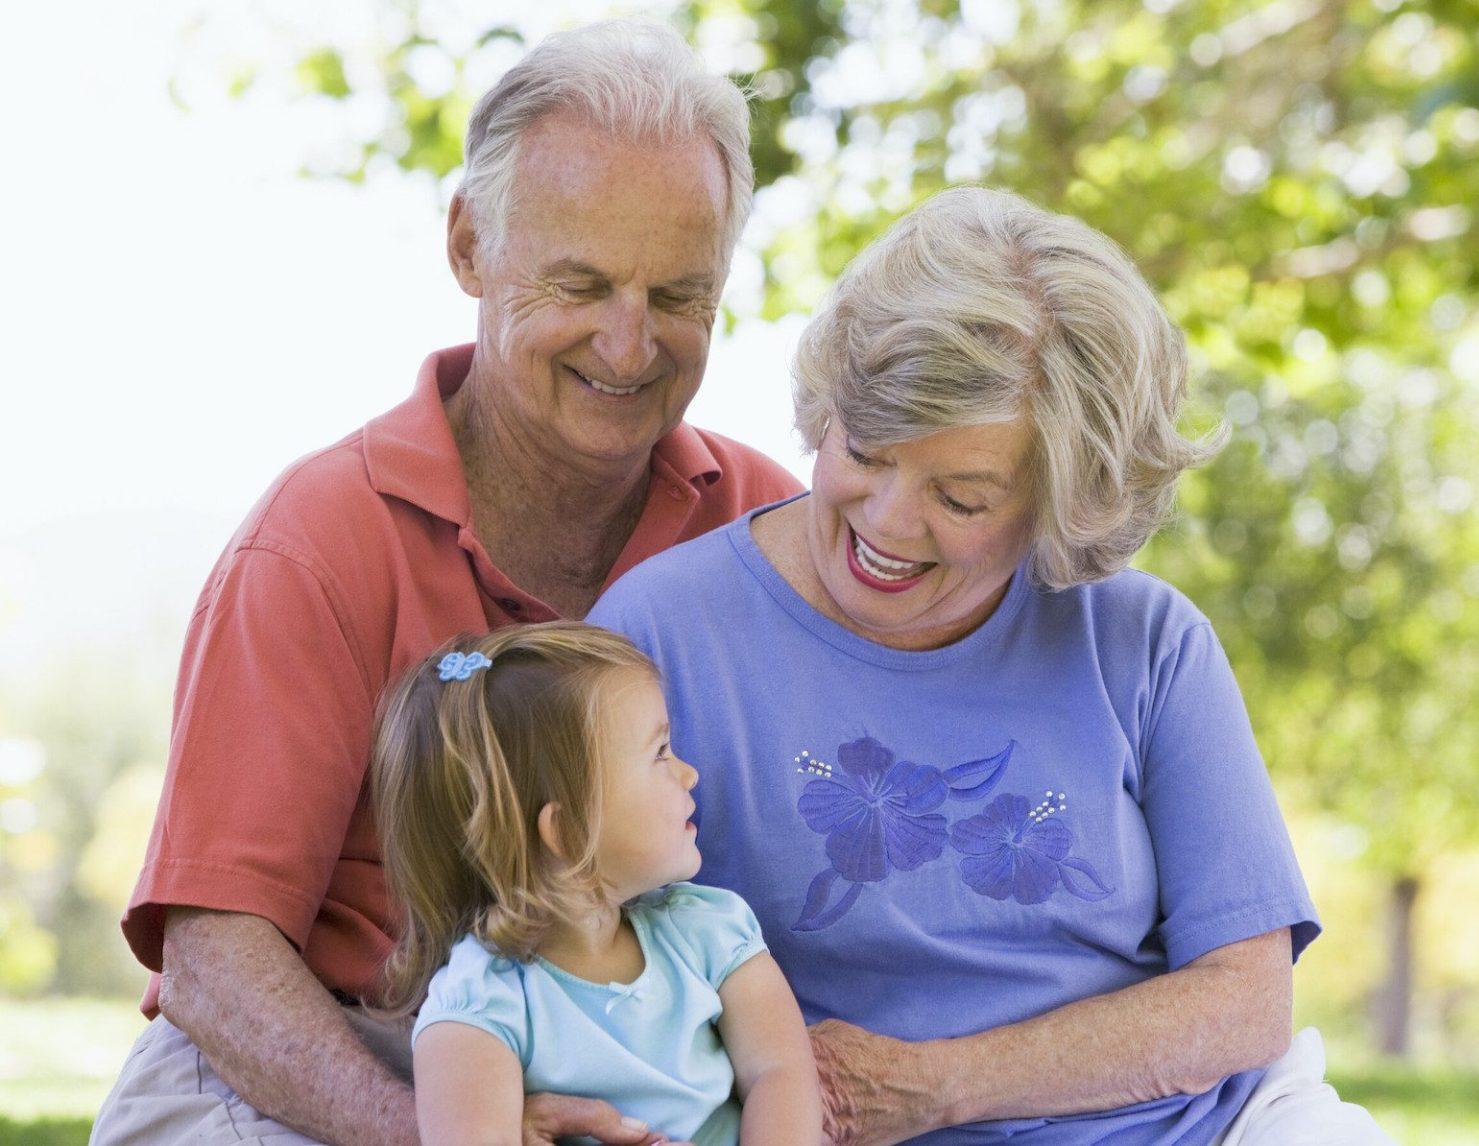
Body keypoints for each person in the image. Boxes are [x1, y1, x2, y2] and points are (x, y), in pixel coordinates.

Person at [92, 21, 801, 1145]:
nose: (629, 346)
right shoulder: (317, 541)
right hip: (335, 1060)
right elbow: (212, 954)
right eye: (581, 283)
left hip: (651, 1059)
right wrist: (434, 1128)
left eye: (678, 295)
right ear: (472, 246)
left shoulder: (768, 525)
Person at [587, 186, 1394, 1144]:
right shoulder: (662, 633)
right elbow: (574, 941)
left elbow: (1243, 1005)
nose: (887, 522)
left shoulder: (1142, 643)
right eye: (867, 451)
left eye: (961, 497)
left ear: (1063, 504)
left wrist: (942, 1084)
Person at [372, 623, 821, 1144]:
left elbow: (782, 1074)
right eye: (660, 753)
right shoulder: (477, 1009)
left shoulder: (711, 931)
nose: (689, 774)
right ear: (567, 832)